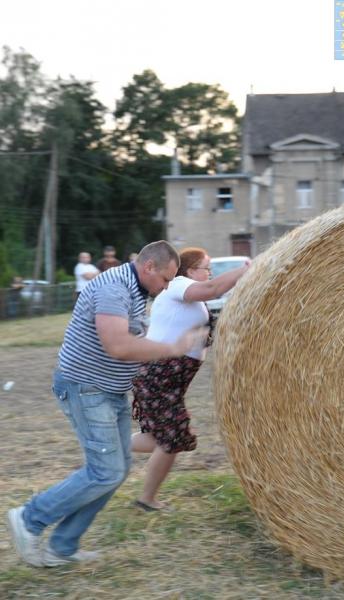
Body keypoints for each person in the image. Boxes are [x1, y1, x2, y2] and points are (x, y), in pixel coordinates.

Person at [7, 241, 207, 568]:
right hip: (86, 388)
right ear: (149, 268)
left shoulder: (136, 288)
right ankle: (30, 518)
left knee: (115, 470)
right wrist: (173, 347)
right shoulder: (115, 288)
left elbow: (132, 341)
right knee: (105, 472)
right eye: (167, 279)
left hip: (107, 390)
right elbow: (117, 345)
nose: (169, 286)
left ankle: (62, 546)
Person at [131, 247, 250, 511]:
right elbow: (212, 289)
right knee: (171, 438)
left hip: (167, 379)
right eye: (206, 268)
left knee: (166, 438)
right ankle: (146, 499)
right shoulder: (178, 285)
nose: (209, 273)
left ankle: (108, 443)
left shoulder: (190, 301)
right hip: (159, 375)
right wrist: (246, 270)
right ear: (189, 270)